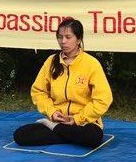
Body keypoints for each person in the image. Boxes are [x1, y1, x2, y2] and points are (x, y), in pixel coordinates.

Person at [12, 18, 113, 148]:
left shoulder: (92, 64)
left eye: (68, 37)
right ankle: (68, 134)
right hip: (57, 119)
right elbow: (38, 92)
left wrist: (77, 119)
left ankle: (56, 129)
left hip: (84, 123)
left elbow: (103, 99)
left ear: (78, 39)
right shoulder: (50, 62)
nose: (63, 41)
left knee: (92, 136)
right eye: (60, 37)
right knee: (20, 135)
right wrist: (52, 112)